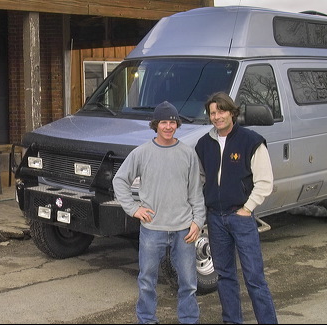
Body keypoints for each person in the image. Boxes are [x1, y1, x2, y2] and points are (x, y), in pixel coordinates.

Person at [113, 101, 206, 324]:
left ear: (177, 124)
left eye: (172, 122)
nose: (168, 126)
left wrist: (198, 221)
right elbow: (119, 180)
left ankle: (189, 320)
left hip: (184, 229)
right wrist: (134, 209)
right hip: (152, 230)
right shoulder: (142, 153)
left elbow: (195, 192)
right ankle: (146, 319)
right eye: (163, 122)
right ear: (155, 125)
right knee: (147, 281)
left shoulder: (187, 154)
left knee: (189, 283)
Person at [194, 92, 277, 324]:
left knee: (254, 278)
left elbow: (264, 181)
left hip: (240, 216)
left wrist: (247, 208)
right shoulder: (203, 145)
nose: (217, 117)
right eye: (212, 113)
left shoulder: (251, 141)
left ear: (232, 112)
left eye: (221, 111)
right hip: (216, 220)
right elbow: (200, 180)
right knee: (225, 277)